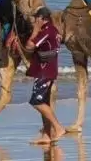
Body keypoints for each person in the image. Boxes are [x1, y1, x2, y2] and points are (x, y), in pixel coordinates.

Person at [24, 7, 65, 145]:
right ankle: (47, 135)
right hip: (49, 70)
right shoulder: (54, 30)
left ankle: (58, 127)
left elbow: (29, 46)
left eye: (37, 18)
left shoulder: (46, 31)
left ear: (44, 19)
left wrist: (35, 30)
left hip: (44, 71)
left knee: (36, 101)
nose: (35, 20)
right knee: (44, 102)